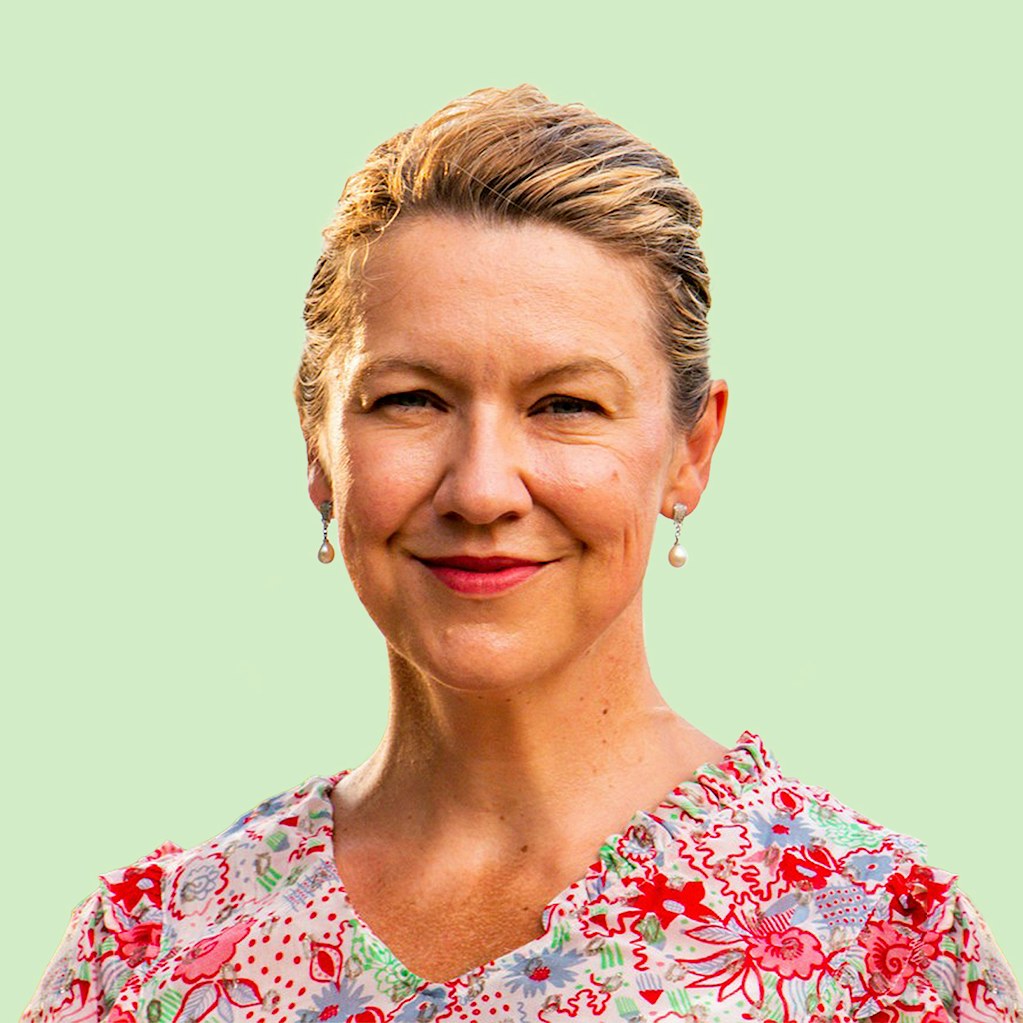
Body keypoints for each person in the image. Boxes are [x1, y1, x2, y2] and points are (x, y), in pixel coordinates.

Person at [22, 84, 1021, 1023]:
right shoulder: (147, 950)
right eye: (411, 399)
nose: (483, 488)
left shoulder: (877, 947)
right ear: (318, 446)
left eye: (566, 405)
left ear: (690, 451)